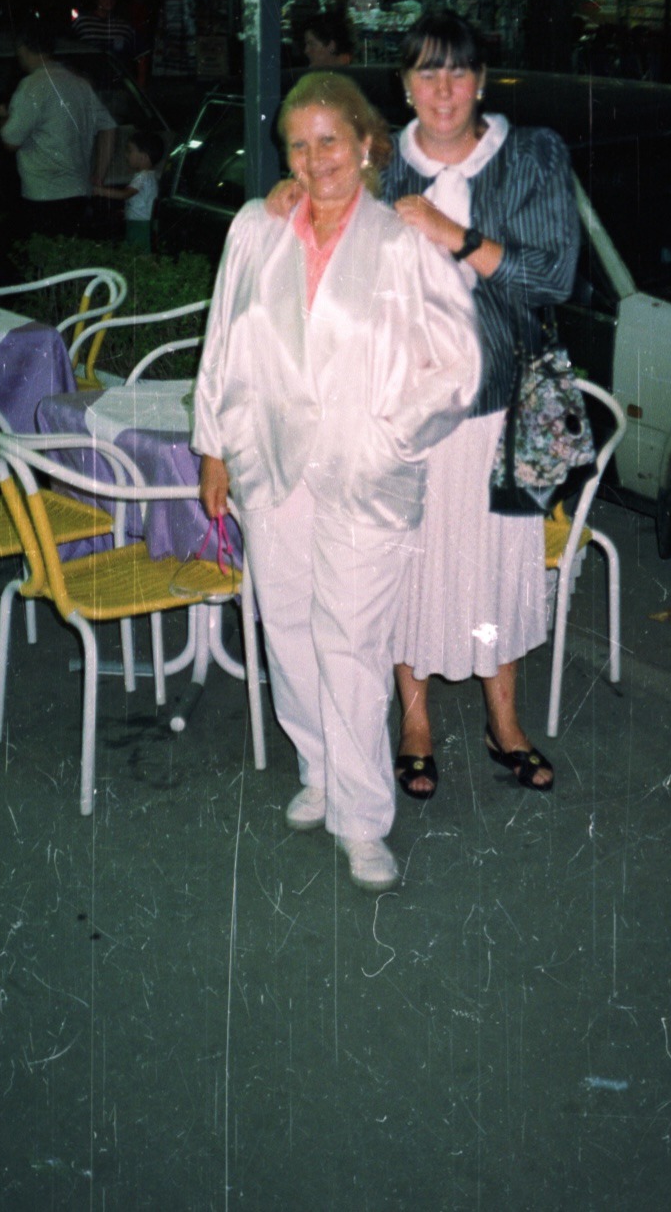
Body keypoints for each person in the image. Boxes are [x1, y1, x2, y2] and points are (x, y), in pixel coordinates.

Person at [193, 71, 481, 891]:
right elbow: (225, 338)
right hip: (270, 464)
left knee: (350, 640)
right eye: (298, 143)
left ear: (364, 144)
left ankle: (363, 816)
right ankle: (319, 771)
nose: (315, 158)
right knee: (285, 622)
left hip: (363, 474)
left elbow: (455, 368)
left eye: (329, 139)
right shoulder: (258, 228)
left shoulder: (399, 241)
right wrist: (215, 445)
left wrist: (389, 437)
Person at [383, 11, 580, 798]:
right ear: (403, 85)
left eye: (458, 72)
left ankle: (504, 720)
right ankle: (415, 720)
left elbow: (548, 280)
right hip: (403, 419)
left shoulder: (528, 158)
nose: (442, 89)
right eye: (426, 73)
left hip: (499, 414)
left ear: (482, 81)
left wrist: (449, 231)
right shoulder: (374, 168)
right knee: (409, 569)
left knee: (495, 575)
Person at [0, 17, 116, 238]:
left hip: (43, 195)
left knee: (45, 260)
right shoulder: (78, 83)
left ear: (23, 48)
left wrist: (3, 117)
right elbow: (109, 127)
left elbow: (10, 142)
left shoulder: (32, 86)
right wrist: (98, 176)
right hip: (79, 192)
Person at [91, 126, 165, 249]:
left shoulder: (142, 177)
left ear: (143, 157)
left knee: (137, 251)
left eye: (130, 151)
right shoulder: (149, 177)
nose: (126, 155)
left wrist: (102, 191)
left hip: (140, 224)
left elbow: (125, 194)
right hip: (142, 222)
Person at [72, 0, 138, 62]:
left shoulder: (124, 26)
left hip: (116, 70)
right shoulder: (82, 21)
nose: (109, 0)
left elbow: (139, 54)